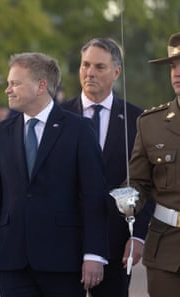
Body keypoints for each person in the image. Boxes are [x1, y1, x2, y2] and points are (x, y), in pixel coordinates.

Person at [0, 52, 109, 297]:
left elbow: (93, 196)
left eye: (15, 83)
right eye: (8, 83)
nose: (8, 90)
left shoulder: (78, 129)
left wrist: (94, 253)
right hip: (13, 261)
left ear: (41, 86)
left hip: (63, 260)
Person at [60, 37, 153, 297]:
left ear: (116, 72)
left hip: (117, 243)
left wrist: (138, 236)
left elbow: (148, 183)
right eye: (85, 65)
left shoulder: (138, 120)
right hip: (64, 243)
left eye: (99, 67)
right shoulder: (57, 116)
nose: (89, 73)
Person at [121, 31, 180, 297]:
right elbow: (138, 182)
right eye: (173, 66)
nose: (177, 73)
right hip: (167, 249)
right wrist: (127, 198)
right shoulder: (150, 123)